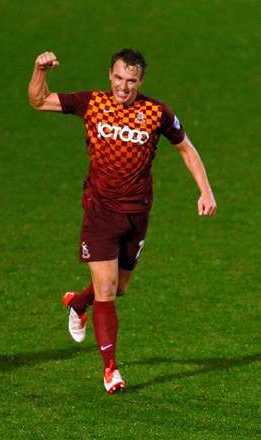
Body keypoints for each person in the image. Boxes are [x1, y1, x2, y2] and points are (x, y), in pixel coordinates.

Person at [28, 48, 217, 393]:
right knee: (106, 291)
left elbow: (186, 148)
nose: (123, 87)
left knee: (119, 288)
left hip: (137, 213)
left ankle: (76, 302)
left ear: (140, 81)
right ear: (109, 75)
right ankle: (111, 370)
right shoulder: (91, 103)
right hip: (100, 212)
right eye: (118, 78)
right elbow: (38, 101)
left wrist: (206, 191)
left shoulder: (156, 112)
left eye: (131, 81)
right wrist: (40, 70)